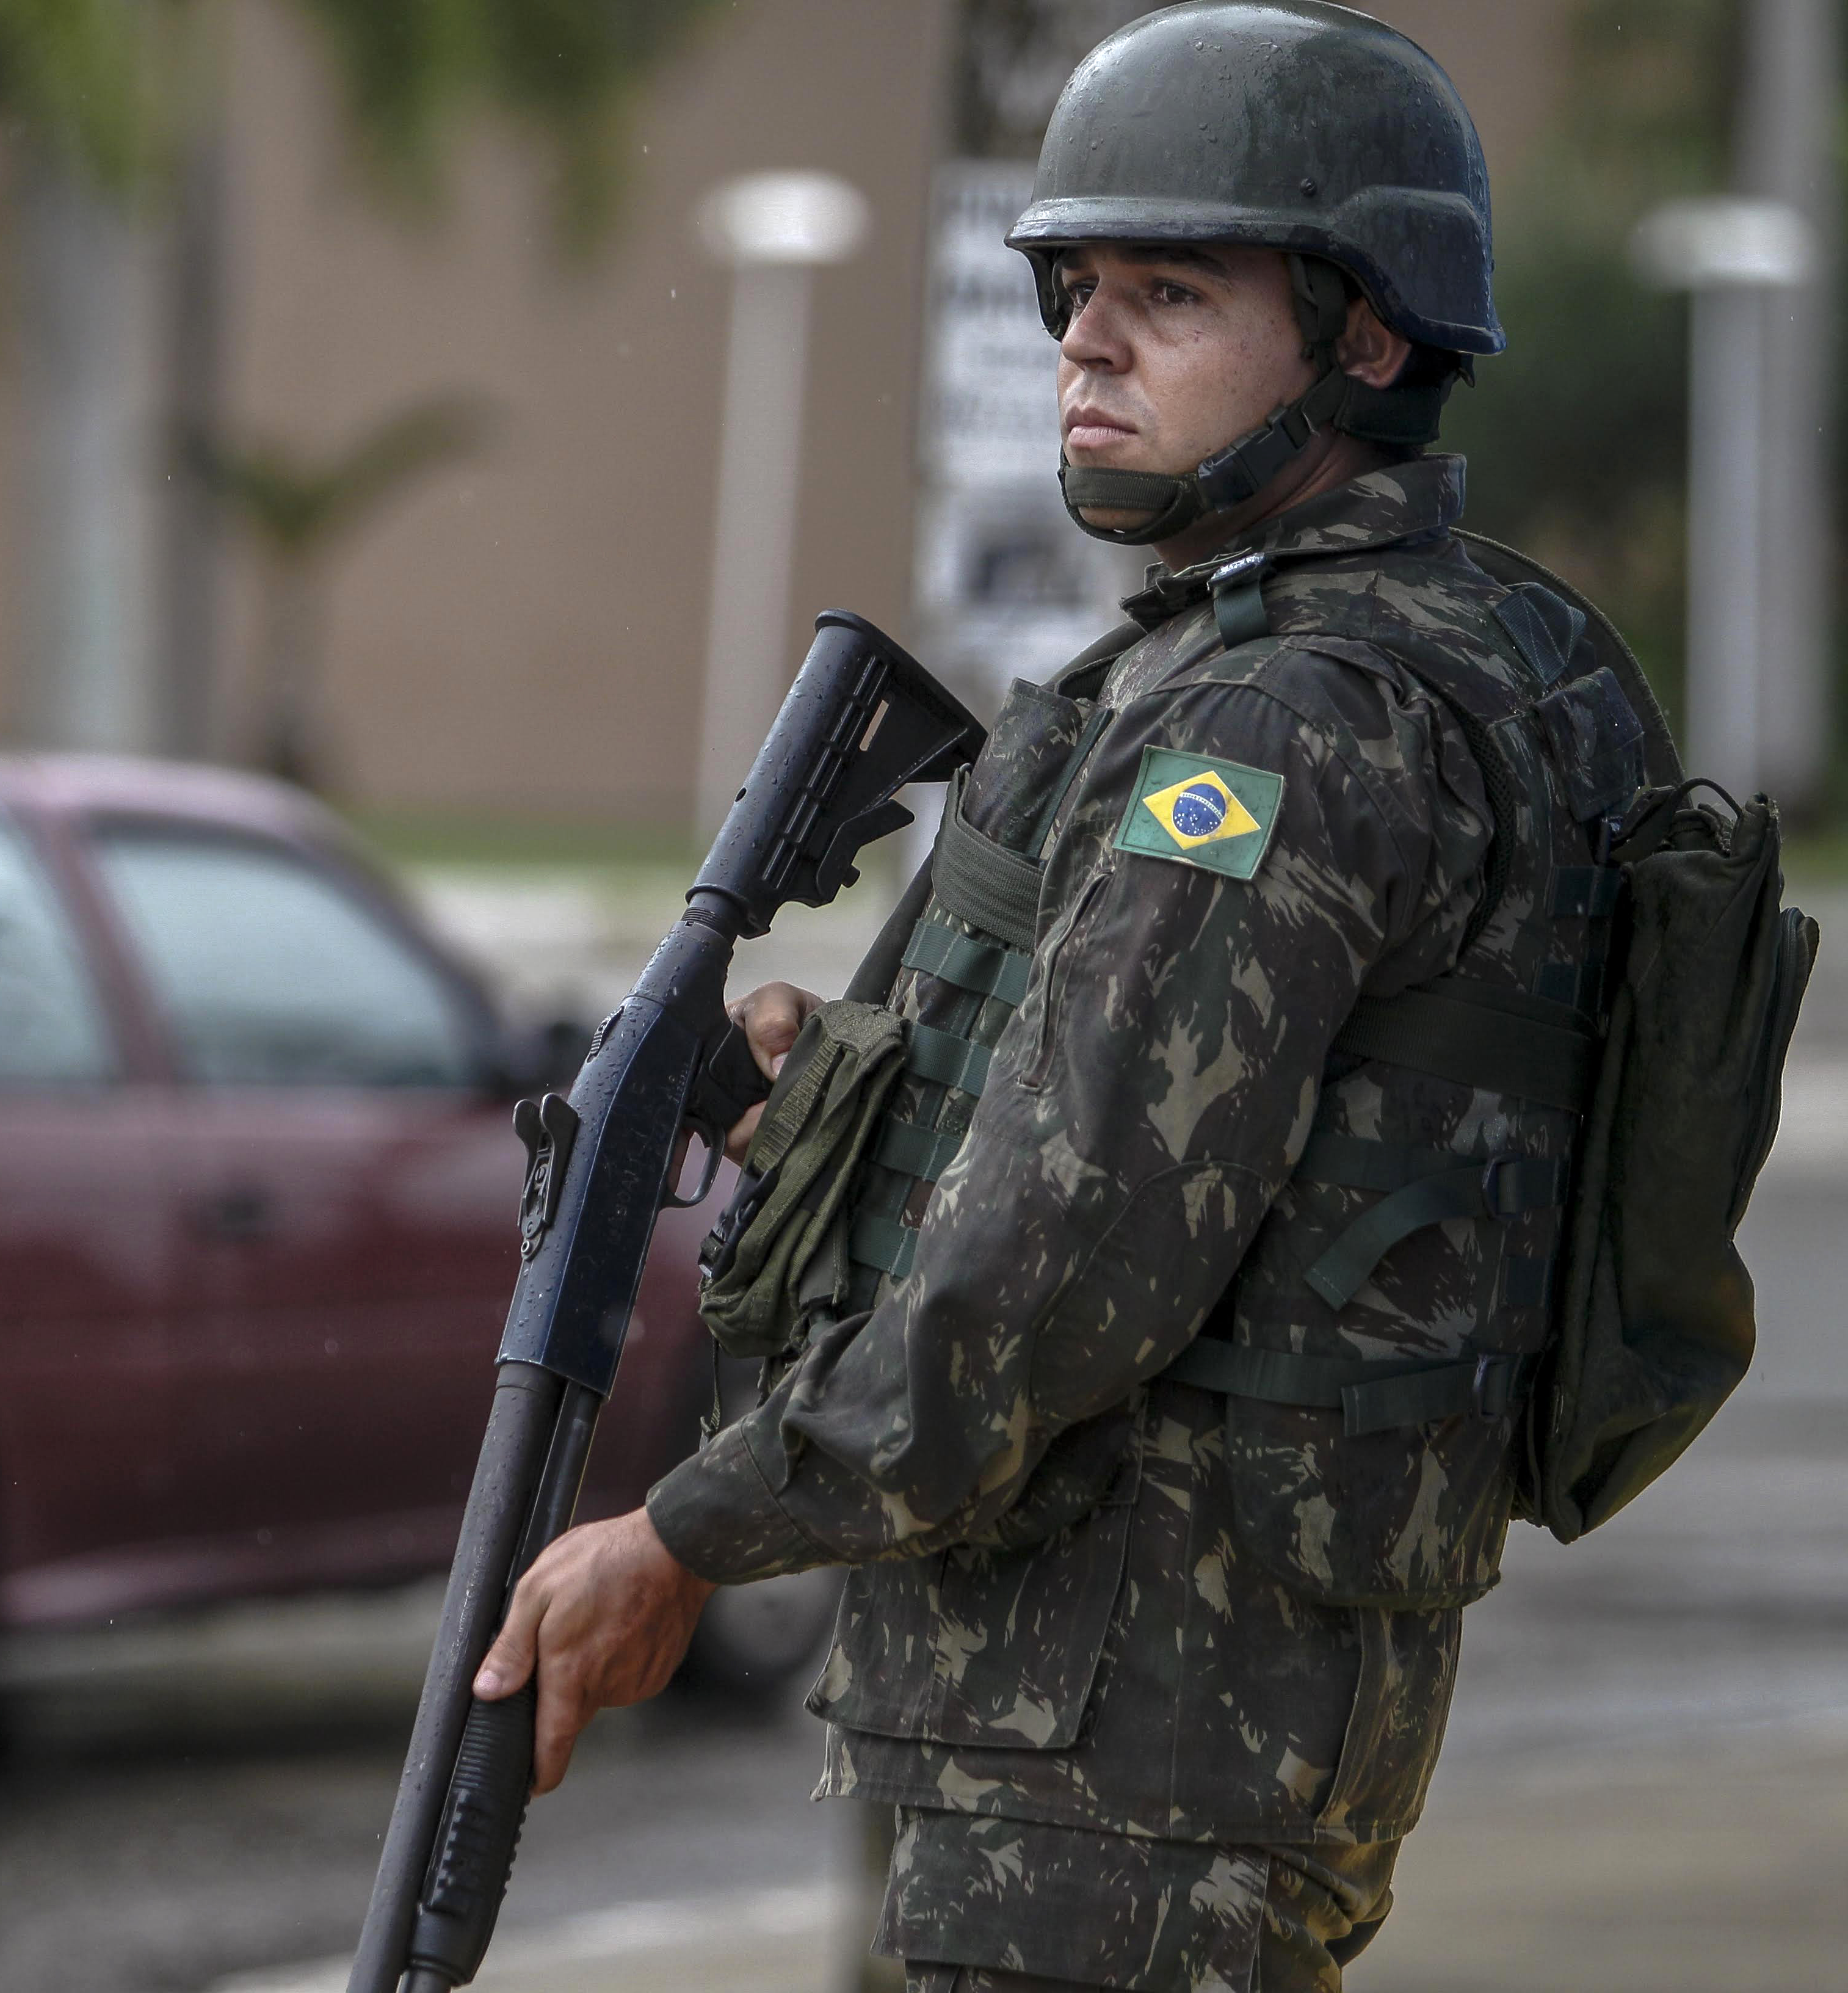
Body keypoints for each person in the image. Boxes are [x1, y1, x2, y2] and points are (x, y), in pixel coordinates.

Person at [464, 7, 1662, 1989]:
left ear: (1363, 337)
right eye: (1074, 291)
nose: (1087, 342)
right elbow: (1201, 1168)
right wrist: (818, 1118)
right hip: (1152, 1734)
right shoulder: (1352, 660)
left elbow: (1062, 1265)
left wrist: (685, 1533)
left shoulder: (1276, 726)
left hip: (1128, 1759)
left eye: (1167, 292)